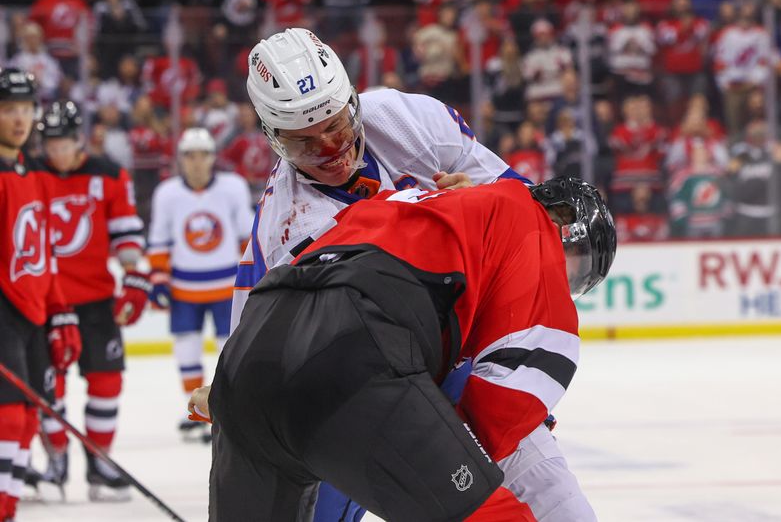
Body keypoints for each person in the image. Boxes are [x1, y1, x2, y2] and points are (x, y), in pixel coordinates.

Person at [193, 176, 616, 521]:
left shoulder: (409, 199)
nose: (566, 282)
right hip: (353, 350)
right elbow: (500, 410)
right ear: (565, 227)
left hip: (250, 355)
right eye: (576, 268)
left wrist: (234, 388)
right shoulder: (533, 230)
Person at [234, 28, 530, 520]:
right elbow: (261, 343)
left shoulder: (407, 118)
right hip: (360, 379)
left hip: (460, 346)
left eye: (337, 127)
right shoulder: (285, 227)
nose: (331, 150)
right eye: (306, 143)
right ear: (273, 139)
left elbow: (526, 205)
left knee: (532, 484)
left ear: (353, 102)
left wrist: (480, 202)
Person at [30, 100, 148, 501]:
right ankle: (56, 461)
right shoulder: (30, 174)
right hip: (46, 303)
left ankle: (99, 462)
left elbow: (125, 231)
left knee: (107, 381)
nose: (57, 151)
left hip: (96, 300)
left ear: (79, 139)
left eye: (63, 143)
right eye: (50, 144)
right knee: (50, 387)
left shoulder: (108, 173)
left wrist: (134, 273)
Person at [0, 68, 81, 521]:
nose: (19, 119)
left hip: (31, 312)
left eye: (25, 109)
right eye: (8, 109)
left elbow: (42, 253)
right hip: (3, 310)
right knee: (9, 417)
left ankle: (8, 506)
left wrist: (60, 312)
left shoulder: (28, 171)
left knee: (29, 415)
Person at [147, 127, 253, 441]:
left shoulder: (233, 188)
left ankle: (223, 407)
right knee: (187, 351)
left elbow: (247, 239)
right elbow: (159, 240)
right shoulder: (167, 193)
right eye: (190, 156)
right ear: (180, 159)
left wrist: (253, 279)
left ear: (212, 158)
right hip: (184, 289)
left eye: (203, 155)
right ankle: (194, 409)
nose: (196, 162)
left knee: (228, 351)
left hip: (226, 287)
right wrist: (158, 279)